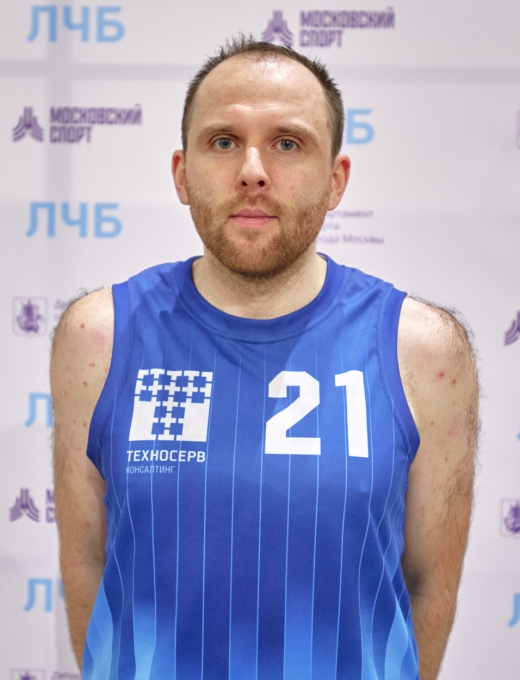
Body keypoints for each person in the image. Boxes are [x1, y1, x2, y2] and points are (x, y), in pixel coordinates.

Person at [50, 36, 479, 680]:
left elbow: (428, 587)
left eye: (287, 143)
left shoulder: (423, 350)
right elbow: (87, 562)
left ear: (336, 181)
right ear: (181, 174)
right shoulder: (98, 337)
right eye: (224, 141)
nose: (252, 170)